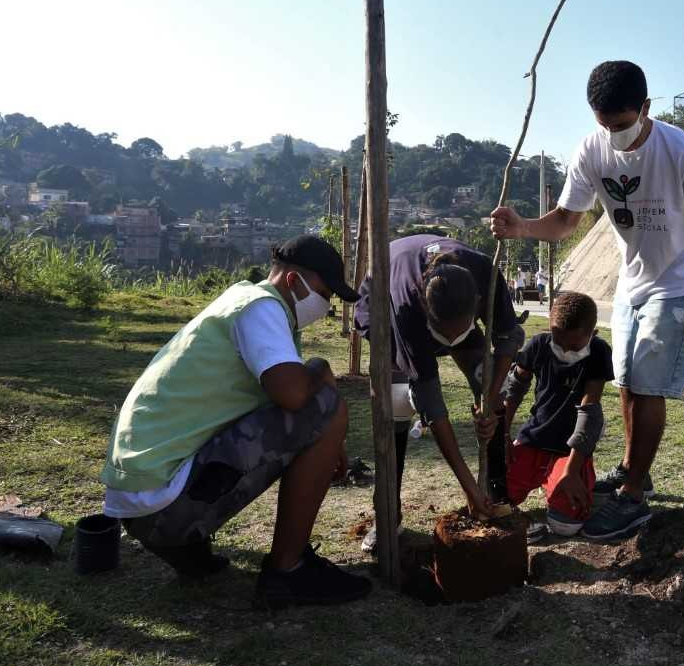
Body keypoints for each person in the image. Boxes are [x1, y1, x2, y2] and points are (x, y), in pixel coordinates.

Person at [490, 59, 684, 539]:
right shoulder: (591, 150)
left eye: (621, 125)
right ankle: (630, 468)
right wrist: (523, 227)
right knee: (623, 380)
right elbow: (566, 219)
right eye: (604, 124)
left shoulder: (678, 149)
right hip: (633, 282)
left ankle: (633, 497)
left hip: (679, 281)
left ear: (645, 108)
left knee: (646, 385)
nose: (613, 134)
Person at [100, 235, 371, 609]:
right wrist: (321, 370)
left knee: (313, 397)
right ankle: (288, 570)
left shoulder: (240, 300)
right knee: (328, 407)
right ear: (294, 282)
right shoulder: (261, 309)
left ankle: (188, 548)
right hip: (164, 506)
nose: (326, 307)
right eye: (325, 294)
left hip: (144, 499)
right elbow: (293, 395)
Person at [354, 234, 524, 552]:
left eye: (459, 333)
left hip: (446, 304)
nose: (451, 343)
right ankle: (388, 514)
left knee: (490, 387)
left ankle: (497, 494)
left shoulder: (487, 276)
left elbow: (506, 337)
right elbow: (431, 403)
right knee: (397, 404)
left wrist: (488, 401)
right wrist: (468, 486)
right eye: (444, 336)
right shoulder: (405, 308)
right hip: (385, 301)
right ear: (428, 315)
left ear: (476, 306)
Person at [499, 290, 611, 538]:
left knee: (565, 525)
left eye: (573, 345)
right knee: (496, 497)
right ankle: (543, 479)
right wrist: (503, 432)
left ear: (591, 334)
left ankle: (561, 477)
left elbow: (590, 412)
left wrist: (571, 471)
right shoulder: (539, 344)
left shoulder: (599, 353)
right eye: (557, 341)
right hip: (534, 438)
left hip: (570, 451)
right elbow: (515, 388)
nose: (563, 349)